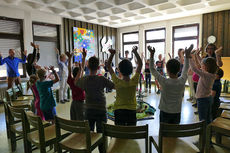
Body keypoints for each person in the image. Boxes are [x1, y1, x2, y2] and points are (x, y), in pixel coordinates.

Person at [75, 54, 114, 153]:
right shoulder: (101, 79)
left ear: (88, 67)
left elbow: (76, 81)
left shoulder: (84, 80)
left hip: (88, 110)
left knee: (89, 135)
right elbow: (114, 86)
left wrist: (80, 68)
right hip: (101, 110)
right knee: (102, 134)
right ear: (98, 67)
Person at [148, 44, 193, 124]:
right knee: (174, 132)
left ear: (167, 70)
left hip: (164, 111)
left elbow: (152, 69)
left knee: (163, 131)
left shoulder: (164, 81)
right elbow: (186, 68)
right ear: (179, 69)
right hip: (177, 112)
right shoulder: (182, 81)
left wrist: (151, 54)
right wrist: (187, 56)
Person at [107, 46, 142, 126]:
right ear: (131, 70)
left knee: (119, 132)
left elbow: (108, 65)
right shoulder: (134, 81)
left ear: (119, 70)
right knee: (131, 132)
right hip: (132, 111)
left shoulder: (117, 82)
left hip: (119, 111)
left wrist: (112, 54)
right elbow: (140, 64)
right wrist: (135, 52)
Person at [190, 54, 218, 125]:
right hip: (208, 98)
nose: (201, 66)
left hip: (202, 99)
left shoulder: (206, 75)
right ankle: (209, 131)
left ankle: (203, 134)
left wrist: (189, 58)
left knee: (202, 119)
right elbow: (201, 63)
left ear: (206, 67)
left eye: (203, 65)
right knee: (208, 117)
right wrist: (196, 56)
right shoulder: (212, 75)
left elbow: (194, 69)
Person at [65, 50, 85, 121]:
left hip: (73, 103)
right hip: (80, 104)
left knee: (73, 119)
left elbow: (69, 70)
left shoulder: (71, 80)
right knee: (81, 120)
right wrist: (84, 57)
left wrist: (69, 58)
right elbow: (81, 70)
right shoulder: (80, 82)